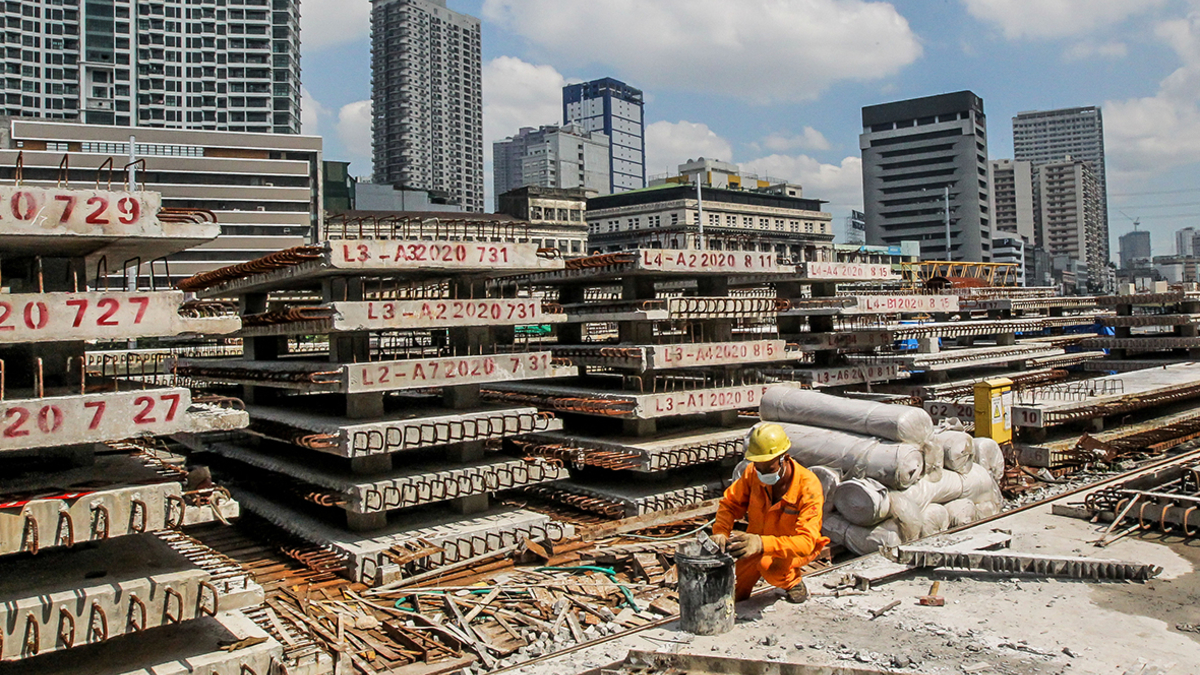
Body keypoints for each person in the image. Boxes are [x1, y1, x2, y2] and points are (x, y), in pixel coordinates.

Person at [710, 423, 829, 602]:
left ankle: (792, 582)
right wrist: (721, 531)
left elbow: (806, 542)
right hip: (758, 542)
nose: (763, 473)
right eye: (759, 467)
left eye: (769, 469)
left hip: (793, 549)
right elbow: (730, 504)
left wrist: (761, 543)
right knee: (732, 590)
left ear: (784, 458)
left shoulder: (808, 487)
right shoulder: (753, 473)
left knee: (770, 567)